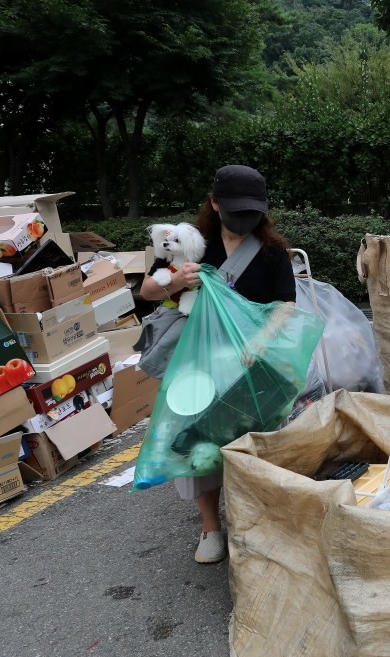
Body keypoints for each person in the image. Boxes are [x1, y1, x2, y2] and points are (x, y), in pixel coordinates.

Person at [141, 165, 297, 563]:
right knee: (198, 442)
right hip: (197, 362)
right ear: (215, 204)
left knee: (254, 440)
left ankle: (256, 519)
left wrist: (262, 339)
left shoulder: (273, 252)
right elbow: (146, 291)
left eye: (252, 211)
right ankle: (211, 528)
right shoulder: (191, 245)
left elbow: (286, 304)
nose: (244, 220)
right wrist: (177, 283)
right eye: (236, 210)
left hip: (250, 363)